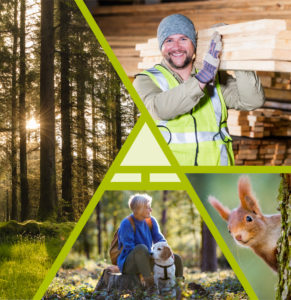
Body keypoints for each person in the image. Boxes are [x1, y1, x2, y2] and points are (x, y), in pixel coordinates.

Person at [133, 14, 265, 166]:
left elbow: (253, 100)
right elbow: (159, 109)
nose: (176, 46)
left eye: (183, 39)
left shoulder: (215, 77)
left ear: (194, 44)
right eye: (169, 40)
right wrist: (201, 79)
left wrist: (234, 53)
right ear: (161, 47)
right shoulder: (145, 80)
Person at [117, 193, 183, 294]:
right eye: (148, 207)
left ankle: (179, 287)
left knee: (176, 258)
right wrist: (150, 255)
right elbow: (129, 248)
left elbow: (160, 240)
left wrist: (168, 251)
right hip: (129, 263)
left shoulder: (151, 221)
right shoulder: (127, 223)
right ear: (139, 209)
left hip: (147, 258)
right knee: (141, 248)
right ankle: (151, 286)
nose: (151, 210)